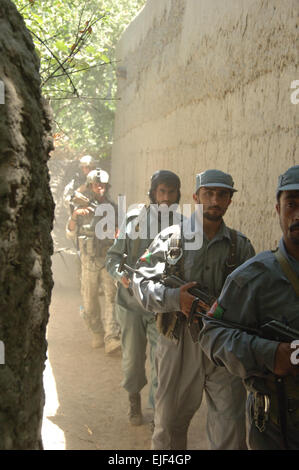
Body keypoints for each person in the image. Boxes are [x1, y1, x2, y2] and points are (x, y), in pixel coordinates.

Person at [132, 169, 255, 449]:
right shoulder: (170, 239)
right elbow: (141, 283)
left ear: (229, 201)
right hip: (179, 343)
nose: (214, 200)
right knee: (169, 427)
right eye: (208, 194)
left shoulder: (242, 247)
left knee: (231, 429)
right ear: (195, 197)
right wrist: (175, 298)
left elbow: (255, 297)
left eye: (222, 195)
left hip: (223, 345)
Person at [199, 165, 299, 450]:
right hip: (277, 428)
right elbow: (212, 333)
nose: (298, 214)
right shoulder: (253, 277)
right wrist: (271, 355)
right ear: (277, 210)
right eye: (291, 203)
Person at [105, 170, 182, 427]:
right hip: (130, 304)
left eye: (171, 192)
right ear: (152, 193)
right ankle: (134, 401)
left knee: (163, 363)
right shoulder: (133, 219)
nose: (166, 197)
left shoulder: (184, 227)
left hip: (162, 307)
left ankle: (157, 412)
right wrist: (121, 277)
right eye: (162, 191)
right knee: (133, 360)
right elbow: (113, 258)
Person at [66, 168, 121, 355]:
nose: (100, 188)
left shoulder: (112, 207)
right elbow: (70, 232)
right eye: (96, 185)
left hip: (107, 258)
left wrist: (117, 233)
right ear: (90, 186)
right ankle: (97, 331)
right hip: (88, 260)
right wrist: (75, 215)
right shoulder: (81, 206)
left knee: (112, 298)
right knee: (89, 302)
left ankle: (111, 337)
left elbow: (119, 232)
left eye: (103, 185)